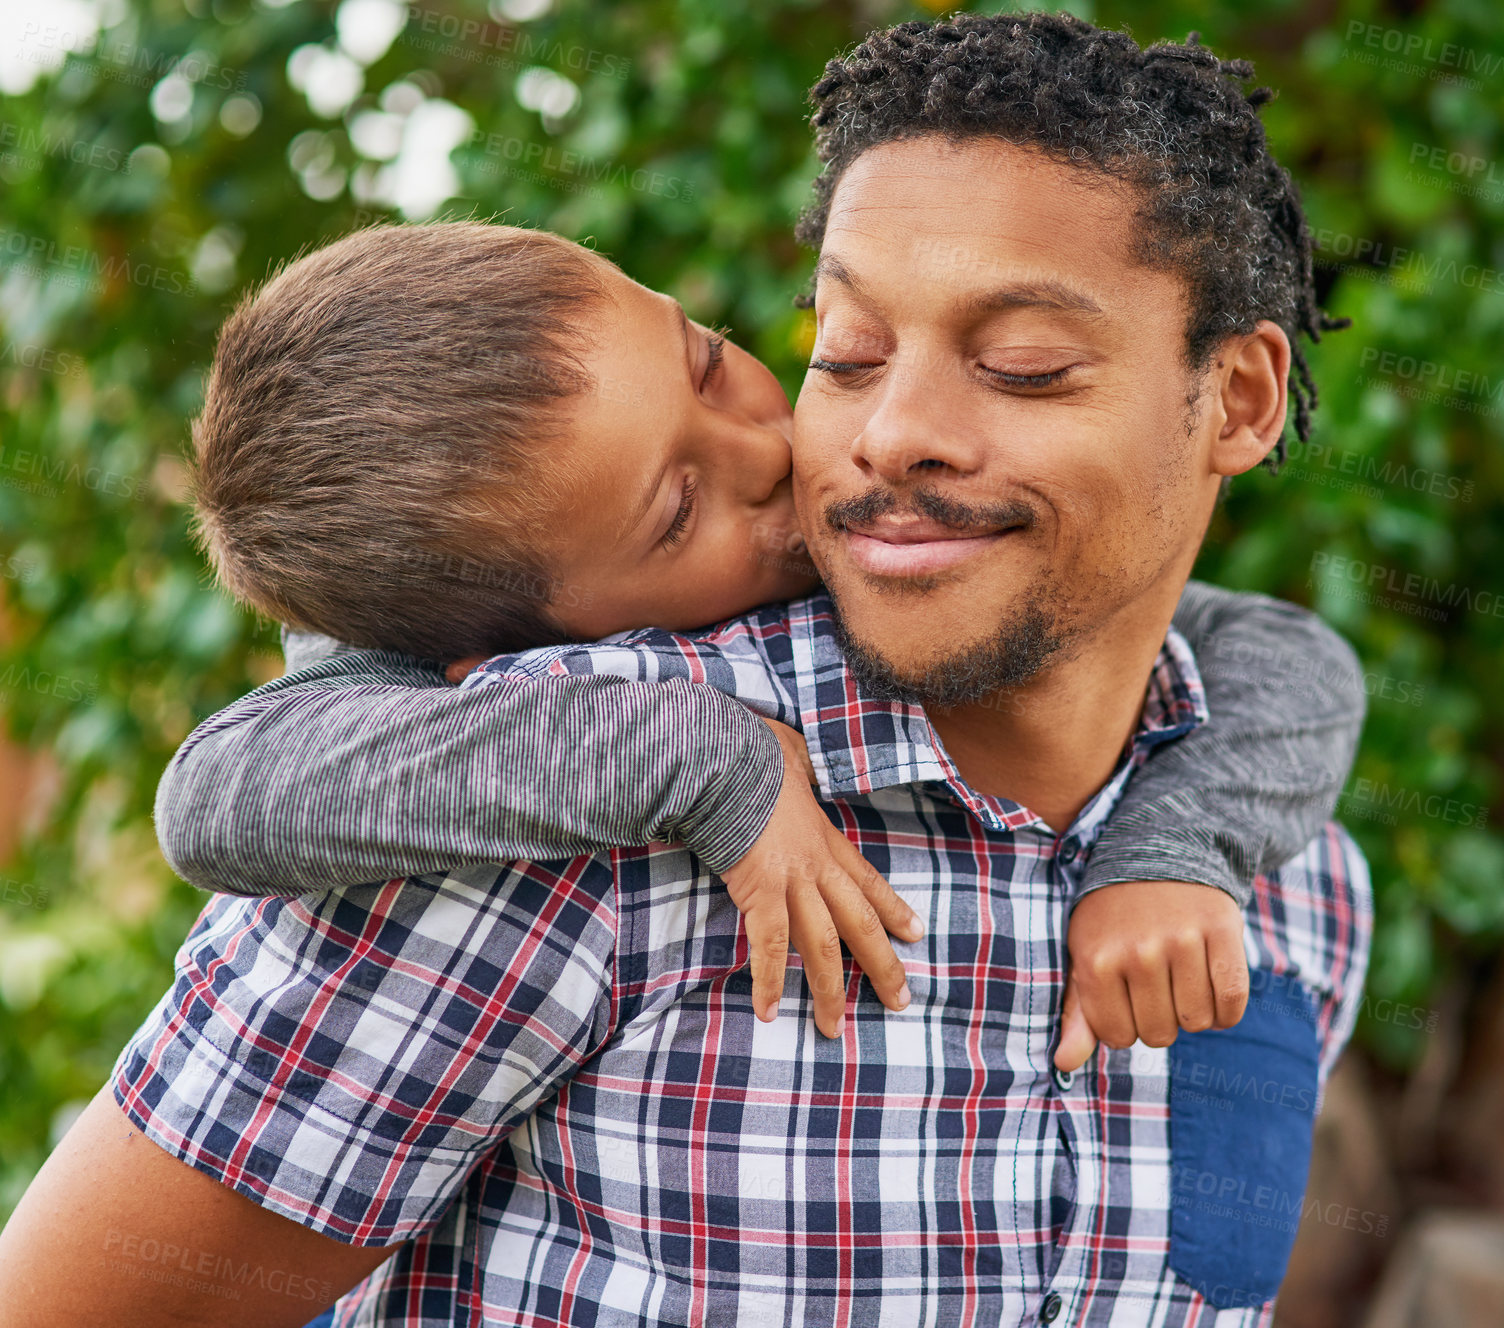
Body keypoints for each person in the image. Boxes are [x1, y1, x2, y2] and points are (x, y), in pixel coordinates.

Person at [0, 13, 1370, 1326]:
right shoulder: (536, 798)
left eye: (1022, 364)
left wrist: (1185, 843)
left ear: (1239, 400)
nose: (867, 438)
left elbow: (1281, 650)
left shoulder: (1296, 872)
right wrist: (695, 759)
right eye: (849, 349)